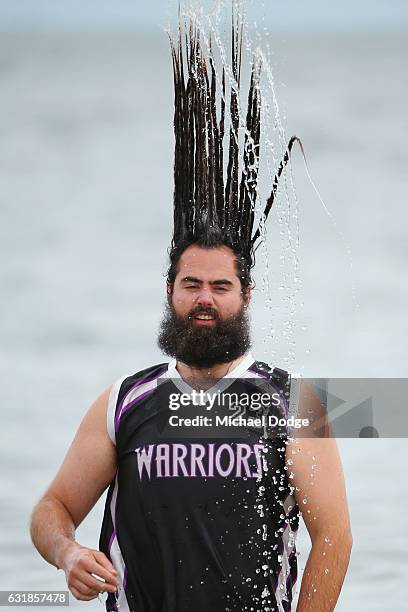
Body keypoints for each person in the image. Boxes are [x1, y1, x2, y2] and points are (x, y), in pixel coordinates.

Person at [30, 13, 352, 612]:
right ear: (171, 291)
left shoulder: (292, 404)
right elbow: (52, 511)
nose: (205, 297)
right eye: (191, 283)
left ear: (245, 296)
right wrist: (69, 553)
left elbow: (334, 537)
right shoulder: (123, 403)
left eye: (220, 286)